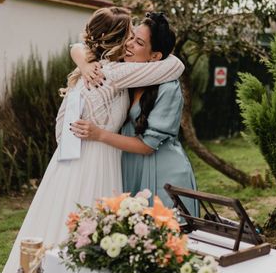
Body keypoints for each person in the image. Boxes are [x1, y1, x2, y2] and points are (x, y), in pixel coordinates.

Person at [0, 7, 185, 273]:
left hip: (64, 167)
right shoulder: (116, 73)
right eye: (128, 37)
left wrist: (81, 61)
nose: (130, 45)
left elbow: (58, 131)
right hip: (97, 163)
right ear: (116, 42)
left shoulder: (84, 77)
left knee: (58, 238)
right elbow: (175, 65)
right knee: (90, 246)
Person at [70, 12, 198, 216]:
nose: (128, 44)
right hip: (128, 166)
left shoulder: (168, 87)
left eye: (138, 42)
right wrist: (84, 65)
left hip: (162, 173)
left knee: (161, 240)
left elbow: (147, 146)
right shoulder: (124, 70)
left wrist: (99, 134)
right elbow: (79, 47)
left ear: (155, 56)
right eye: (130, 37)